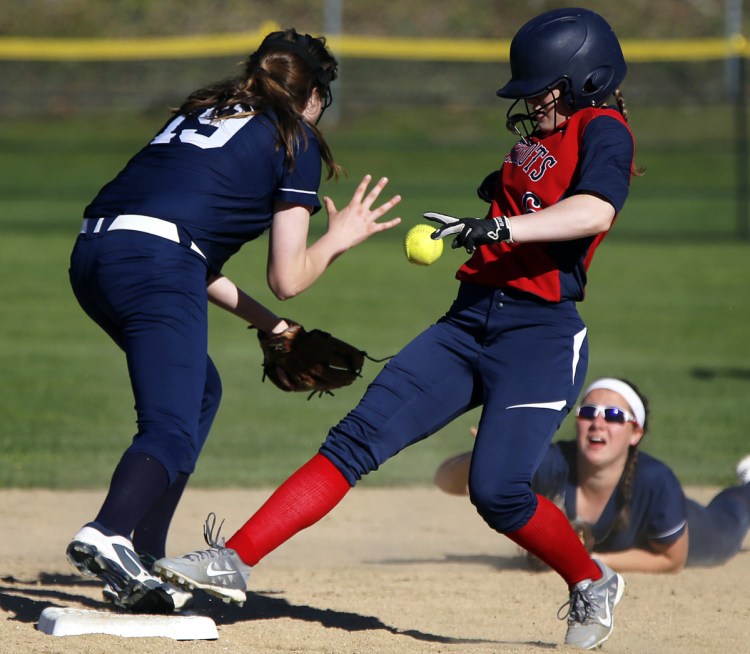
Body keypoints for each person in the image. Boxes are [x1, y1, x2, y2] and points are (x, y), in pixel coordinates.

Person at [155, 8, 636, 649]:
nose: (529, 102)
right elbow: (523, 206)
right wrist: (483, 223)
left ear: (584, 81)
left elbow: (594, 209)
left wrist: (498, 227)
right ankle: (232, 561)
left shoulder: (605, 129)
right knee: (354, 439)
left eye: (541, 88)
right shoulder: (537, 140)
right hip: (467, 323)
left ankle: (590, 581)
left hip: (541, 337)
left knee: (498, 493)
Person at [65, 28, 402, 614]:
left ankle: (144, 555)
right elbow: (289, 275)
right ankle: (108, 533)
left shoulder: (206, 111)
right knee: (168, 426)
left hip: (95, 255)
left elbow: (180, 244)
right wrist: (338, 239)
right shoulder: (292, 134)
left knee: (199, 391)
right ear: (314, 95)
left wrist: (273, 326)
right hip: (153, 262)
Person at [435, 377, 750, 573]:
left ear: (635, 432)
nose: (598, 423)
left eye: (613, 415)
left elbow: (671, 561)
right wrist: (486, 456)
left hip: (696, 531)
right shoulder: (555, 460)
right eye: (588, 413)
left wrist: (585, 559)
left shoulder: (656, 480)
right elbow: (445, 481)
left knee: (732, 519)